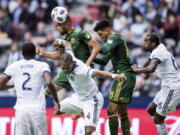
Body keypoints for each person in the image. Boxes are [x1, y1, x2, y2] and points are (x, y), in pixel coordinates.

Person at [48, 39, 127, 135]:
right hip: (78, 98)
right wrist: (59, 41)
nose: (65, 71)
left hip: (92, 100)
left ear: (72, 63)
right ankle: (83, 112)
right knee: (57, 111)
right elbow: (67, 44)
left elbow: (97, 73)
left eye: (67, 68)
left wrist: (114, 76)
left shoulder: (81, 68)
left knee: (88, 131)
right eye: (63, 68)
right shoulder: (69, 56)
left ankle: (86, 113)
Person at [39, 6, 101, 99]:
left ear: (66, 23)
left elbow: (97, 46)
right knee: (48, 91)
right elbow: (59, 55)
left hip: (83, 71)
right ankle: (32, 108)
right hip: (69, 69)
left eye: (58, 25)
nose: (56, 27)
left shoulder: (80, 33)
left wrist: (88, 62)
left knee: (85, 101)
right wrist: (44, 53)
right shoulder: (62, 38)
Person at [0, 42, 60, 135]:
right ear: (35, 53)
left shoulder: (14, 65)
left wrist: (11, 85)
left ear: (22, 53)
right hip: (37, 110)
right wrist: (56, 101)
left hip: (21, 111)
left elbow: (0, 85)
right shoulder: (42, 65)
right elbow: (49, 82)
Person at [131, 33, 180, 135]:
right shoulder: (159, 48)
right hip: (166, 87)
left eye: (146, 42)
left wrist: (136, 70)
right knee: (151, 110)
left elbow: (150, 69)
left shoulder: (158, 52)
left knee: (158, 118)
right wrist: (137, 68)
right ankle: (161, 130)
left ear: (153, 43)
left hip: (172, 88)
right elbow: (146, 64)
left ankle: (161, 130)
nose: (143, 44)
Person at [93, 19, 136, 135]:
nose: (101, 38)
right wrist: (88, 57)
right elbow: (103, 61)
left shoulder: (114, 37)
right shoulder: (113, 41)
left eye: (101, 35)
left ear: (107, 29)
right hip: (127, 76)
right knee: (122, 113)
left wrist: (91, 44)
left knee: (111, 110)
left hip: (122, 76)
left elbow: (104, 49)